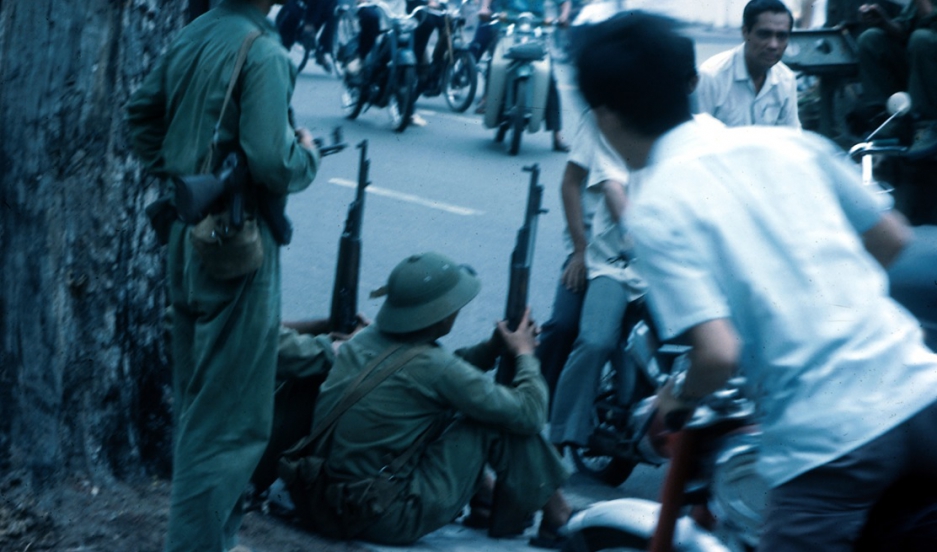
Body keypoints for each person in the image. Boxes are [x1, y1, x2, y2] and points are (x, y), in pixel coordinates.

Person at [576, 11, 937, 552]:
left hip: (832, 442)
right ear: (692, 84)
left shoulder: (655, 210)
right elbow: (892, 242)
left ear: (603, 116)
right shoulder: (790, 147)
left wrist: (673, 400)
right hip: (921, 391)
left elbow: (718, 354)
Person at [126, 0, 320, 550]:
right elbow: (272, 161)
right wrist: (307, 155)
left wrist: (182, 176)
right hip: (235, 252)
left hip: (190, 241)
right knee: (228, 427)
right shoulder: (264, 52)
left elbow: (140, 116)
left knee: (201, 412)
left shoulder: (196, 33)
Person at [283, 252, 572, 548]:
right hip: (383, 515)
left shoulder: (361, 341)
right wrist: (525, 355)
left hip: (323, 501)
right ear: (444, 314)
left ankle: (487, 500)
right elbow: (530, 412)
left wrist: (491, 348)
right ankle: (558, 517)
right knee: (493, 418)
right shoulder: (435, 368)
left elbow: (436, 375)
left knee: (466, 407)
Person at [548, 110, 646, 449]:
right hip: (604, 251)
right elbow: (584, 185)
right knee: (574, 331)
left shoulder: (686, 127)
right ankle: (555, 426)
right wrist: (579, 250)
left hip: (654, 259)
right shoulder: (606, 118)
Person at [470, 0, 571, 151]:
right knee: (495, 64)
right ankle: (487, 98)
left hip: (536, 32)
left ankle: (558, 135)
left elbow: (564, 2)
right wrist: (485, 8)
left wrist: (563, 17)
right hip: (508, 29)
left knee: (549, 78)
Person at [696, 0, 801, 128]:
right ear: (745, 32)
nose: (773, 45)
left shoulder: (786, 79)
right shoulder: (711, 76)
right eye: (764, 34)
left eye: (781, 36)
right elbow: (696, 138)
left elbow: (791, 136)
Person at [856, 0, 937, 156]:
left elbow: (929, 23)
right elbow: (904, 29)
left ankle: (927, 126)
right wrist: (883, 22)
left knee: (921, 39)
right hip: (923, 69)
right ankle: (890, 120)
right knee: (871, 39)